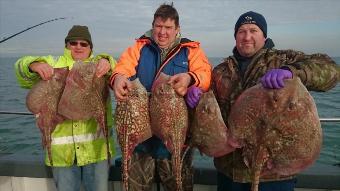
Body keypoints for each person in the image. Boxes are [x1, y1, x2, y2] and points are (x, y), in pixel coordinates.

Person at [211, 11, 339, 191]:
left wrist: (292, 71)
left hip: (274, 176)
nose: (247, 37)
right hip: (229, 173)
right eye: (242, 31)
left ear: (264, 36)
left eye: (253, 30)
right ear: (235, 37)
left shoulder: (282, 60)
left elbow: (331, 71)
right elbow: (209, 111)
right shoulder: (220, 71)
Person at [110, 3, 211, 191]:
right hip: (141, 138)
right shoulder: (139, 47)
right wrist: (118, 79)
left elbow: (205, 74)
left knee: (178, 186)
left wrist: (190, 78)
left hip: (174, 137)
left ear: (177, 29)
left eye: (168, 27)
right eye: (158, 26)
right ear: (152, 26)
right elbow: (123, 67)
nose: (162, 32)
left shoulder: (191, 50)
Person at [14, 25, 116, 191]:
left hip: (96, 151)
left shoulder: (98, 66)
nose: (78, 47)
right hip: (62, 155)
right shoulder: (54, 64)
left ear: (91, 48)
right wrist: (33, 65)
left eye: (84, 44)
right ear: (66, 45)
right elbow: (20, 69)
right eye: (73, 43)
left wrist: (107, 61)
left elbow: (118, 70)